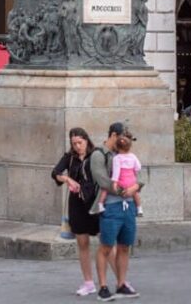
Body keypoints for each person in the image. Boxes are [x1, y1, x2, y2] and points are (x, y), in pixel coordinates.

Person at [90, 122, 140, 300]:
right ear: (113, 135)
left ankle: (121, 284)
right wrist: (123, 190)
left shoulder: (126, 154)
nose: (125, 140)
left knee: (124, 246)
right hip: (110, 206)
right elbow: (103, 181)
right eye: (123, 137)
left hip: (128, 206)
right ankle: (103, 287)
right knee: (106, 246)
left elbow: (137, 176)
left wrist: (135, 187)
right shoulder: (99, 154)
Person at [52, 127, 100, 296]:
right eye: (74, 143)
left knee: (107, 243)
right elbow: (55, 172)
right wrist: (67, 179)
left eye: (80, 142)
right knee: (83, 243)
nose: (78, 146)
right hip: (77, 205)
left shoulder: (96, 155)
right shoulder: (70, 157)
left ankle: (119, 280)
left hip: (95, 203)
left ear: (87, 140)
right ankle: (88, 283)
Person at [96, 135, 143, 218]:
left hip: (121, 182)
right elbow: (138, 167)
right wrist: (133, 171)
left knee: (105, 188)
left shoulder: (117, 158)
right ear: (129, 147)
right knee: (135, 193)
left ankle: (100, 205)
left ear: (117, 147)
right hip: (131, 182)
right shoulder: (133, 156)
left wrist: (114, 183)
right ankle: (139, 208)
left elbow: (116, 172)